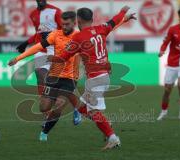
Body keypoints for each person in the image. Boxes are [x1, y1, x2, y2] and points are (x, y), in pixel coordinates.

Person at [47, 7, 136, 150]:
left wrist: (52, 59)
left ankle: (113, 138)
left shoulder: (79, 37)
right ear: (92, 19)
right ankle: (106, 123)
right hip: (104, 76)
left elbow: (64, 56)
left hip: (95, 79)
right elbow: (114, 22)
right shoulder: (101, 28)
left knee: (93, 111)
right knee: (81, 106)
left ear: (78, 21)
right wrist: (122, 12)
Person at [9, 11, 80, 141]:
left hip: (70, 77)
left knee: (59, 105)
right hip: (53, 76)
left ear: (74, 23)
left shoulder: (79, 37)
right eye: (62, 24)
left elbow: (91, 52)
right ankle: (72, 103)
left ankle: (44, 133)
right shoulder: (55, 35)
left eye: (67, 24)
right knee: (44, 107)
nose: (64, 27)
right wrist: (18, 58)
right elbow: (38, 47)